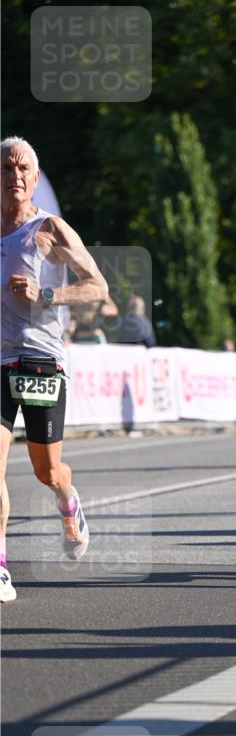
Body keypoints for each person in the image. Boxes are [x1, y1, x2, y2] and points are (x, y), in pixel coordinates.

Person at [0, 136, 109, 603]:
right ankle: (1, 567)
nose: (15, 175)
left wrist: (44, 295)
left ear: (36, 178)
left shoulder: (50, 230)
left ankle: (68, 502)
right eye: (6, 167)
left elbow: (97, 287)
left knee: (47, 471)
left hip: (41, 362)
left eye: (24, 168)